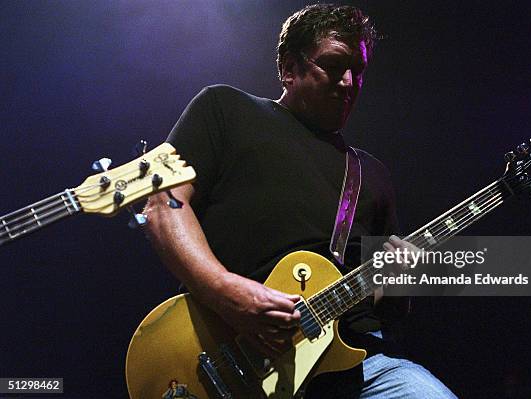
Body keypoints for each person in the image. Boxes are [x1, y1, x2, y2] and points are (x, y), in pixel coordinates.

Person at [144, 4, 456, 398]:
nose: (348, 82)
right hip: (230, 352)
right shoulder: (225, 109)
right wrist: (227, 293)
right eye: (334, 65)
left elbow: (386, 312)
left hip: (358, 366)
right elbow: (162, 203)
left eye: (357, 71)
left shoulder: (370, 173)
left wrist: (397, 285)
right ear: (290, 68)